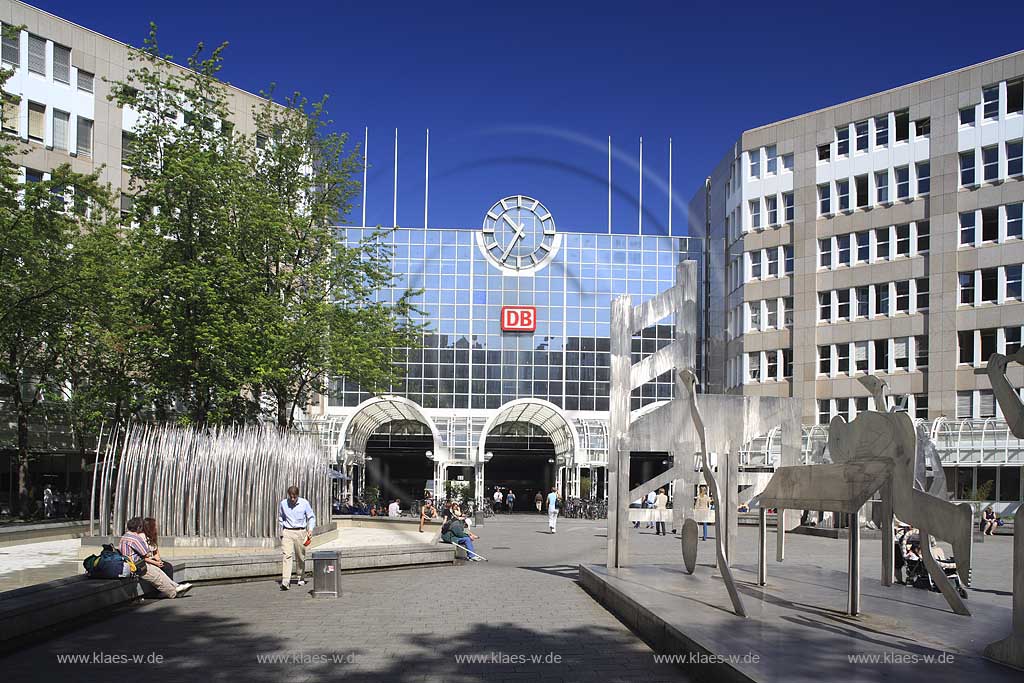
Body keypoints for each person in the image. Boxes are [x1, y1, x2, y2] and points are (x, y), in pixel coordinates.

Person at [119, 517, 191, 598]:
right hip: (136, 566)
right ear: (139, 527)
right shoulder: (135, 538)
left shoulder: (125, 536)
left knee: (159, 572)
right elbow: (145, 554)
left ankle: (176, 586)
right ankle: (174, 593)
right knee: (157, 578)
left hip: (134, 564)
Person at [278, 485, 316, 591]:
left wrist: (310, 530)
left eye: (294, 497)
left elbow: (311, 517)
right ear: (288, 495)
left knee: (300, 556)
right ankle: (285, 580)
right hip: (287, 532)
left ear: (298, 495)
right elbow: (281, 517)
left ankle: (300, 576)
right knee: (287, 555)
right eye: (291, 497)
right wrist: (281, 531)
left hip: (300, 532)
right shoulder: (283, 504)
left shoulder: (304, 503)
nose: (293, 499)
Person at [141, 517, 192, 594]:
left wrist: (159, 560)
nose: (157, 527)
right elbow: (144, 557)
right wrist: (155, 563)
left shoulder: (153, 536)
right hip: (147, 560)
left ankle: (170, 588)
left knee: (167, 566)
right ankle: (168, 589)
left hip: (152, 559)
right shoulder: (142, 537)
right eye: (155, 526)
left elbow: (155, 551)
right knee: (159, 569)